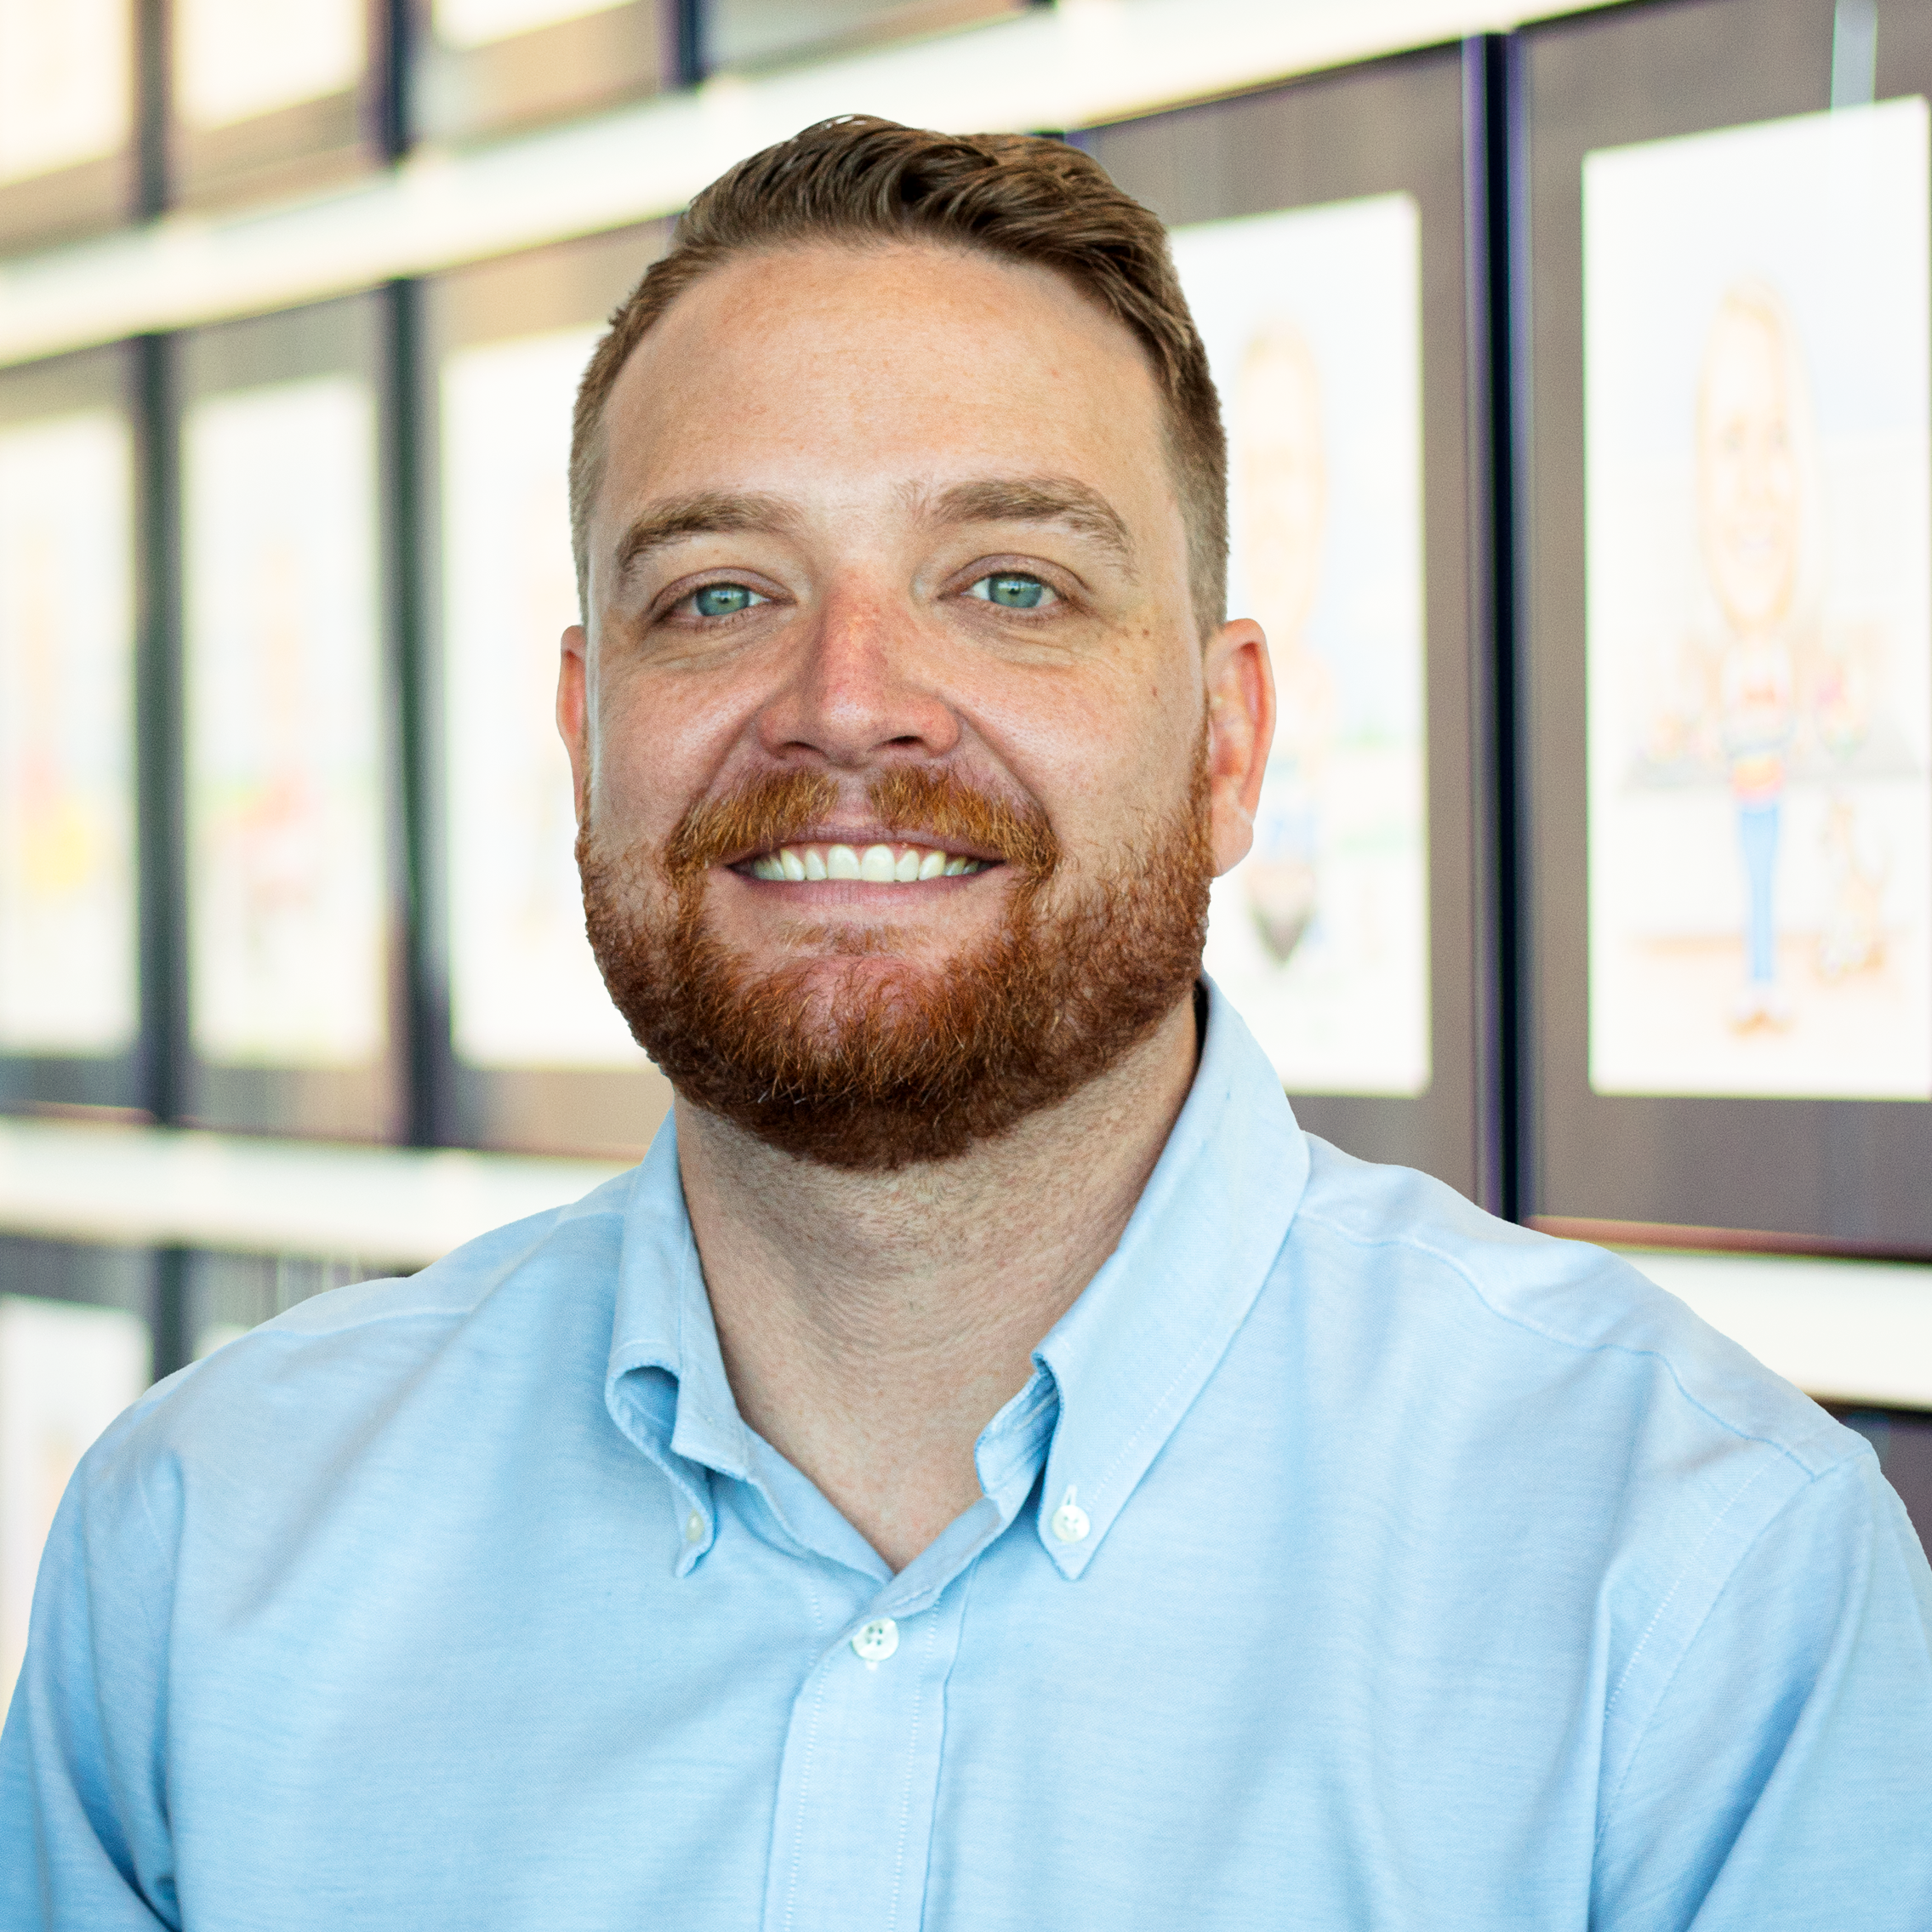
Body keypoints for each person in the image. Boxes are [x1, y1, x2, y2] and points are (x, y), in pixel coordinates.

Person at [3, 117, 1929, 1929]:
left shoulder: (1692, 1585)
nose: (849, 699)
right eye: (719, 594)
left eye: (1012, 583)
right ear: (583, 736)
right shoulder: (202, 1556)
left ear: (1229, 742)